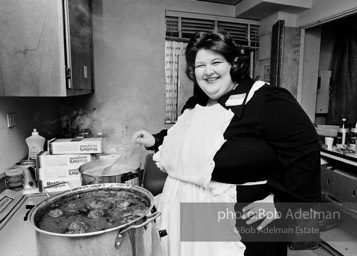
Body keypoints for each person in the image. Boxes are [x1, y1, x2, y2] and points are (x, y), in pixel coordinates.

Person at [133, 30, 321, 256]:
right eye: (200, 65)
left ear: (233, 64)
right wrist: (157, 139)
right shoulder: (195, 104)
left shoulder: (266, 100)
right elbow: (188, 139)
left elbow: (306, 152)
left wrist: (281, 202)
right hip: (186, 217)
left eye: (216, 62)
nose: (208, 71)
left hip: (240, 225)